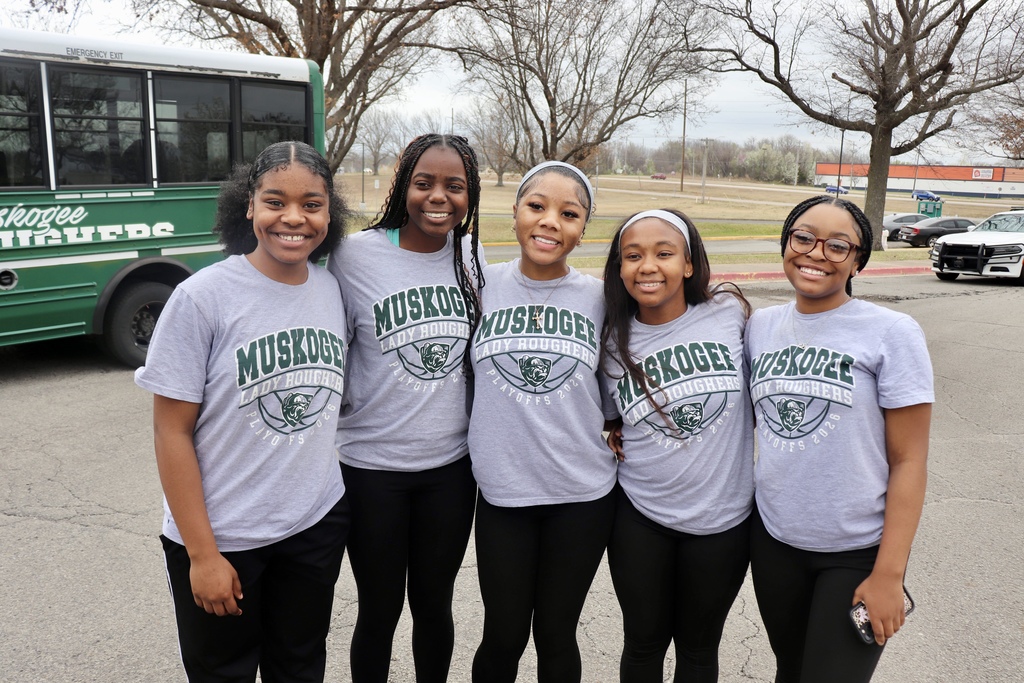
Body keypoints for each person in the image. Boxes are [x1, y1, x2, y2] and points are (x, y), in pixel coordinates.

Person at [134, 140, 350, 683]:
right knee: (223, 673)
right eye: (275, 201)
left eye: (312, 203)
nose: (294, 218)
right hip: (222, 538)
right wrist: (203, 556)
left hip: (313, 524)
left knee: (299, 667)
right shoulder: (202, 297)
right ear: (248, 205)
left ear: (330, 211)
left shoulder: (329, 289)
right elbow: (171, 432)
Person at [745, 195, 934, 682]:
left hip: (856, 552)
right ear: (786, 243)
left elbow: (909, 459)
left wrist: (890, 574)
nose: (815, 253)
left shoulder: (891, 332)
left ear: (856, 260)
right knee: (790, 671)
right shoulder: (759, 327)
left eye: (837, 245)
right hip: (775, 543)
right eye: (803, 237)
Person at [327, 133, 484, 683]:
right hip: (372, 470)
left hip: (450, 470)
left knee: (434, 605)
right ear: (403, 188)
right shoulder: (354, 255)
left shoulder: (471, 257)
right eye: (424, 183)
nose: (438, 197)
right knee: (379, 608)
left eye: (454, 186)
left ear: (471, 195)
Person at [468, 160, 617, 683]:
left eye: (569, 213)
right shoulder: (477, 285)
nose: (551, 221)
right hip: (504, 496)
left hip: (580, 497)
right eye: (537, 206)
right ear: (514, 213)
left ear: (582, 228)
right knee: (502, 635)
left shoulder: (601, 298)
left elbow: (621, 382)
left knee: (556, 635)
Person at [599, 209, 755, 682]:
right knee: (643, 645)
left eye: (664, 253)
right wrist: (611, 431)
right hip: (641, 518)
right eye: (633, 256)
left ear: (688, 264)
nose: (648, 266)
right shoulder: (610, 340)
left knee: (698, 651)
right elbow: (608, 416)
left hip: (723, 521)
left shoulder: (729, 311)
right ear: (620, 269)